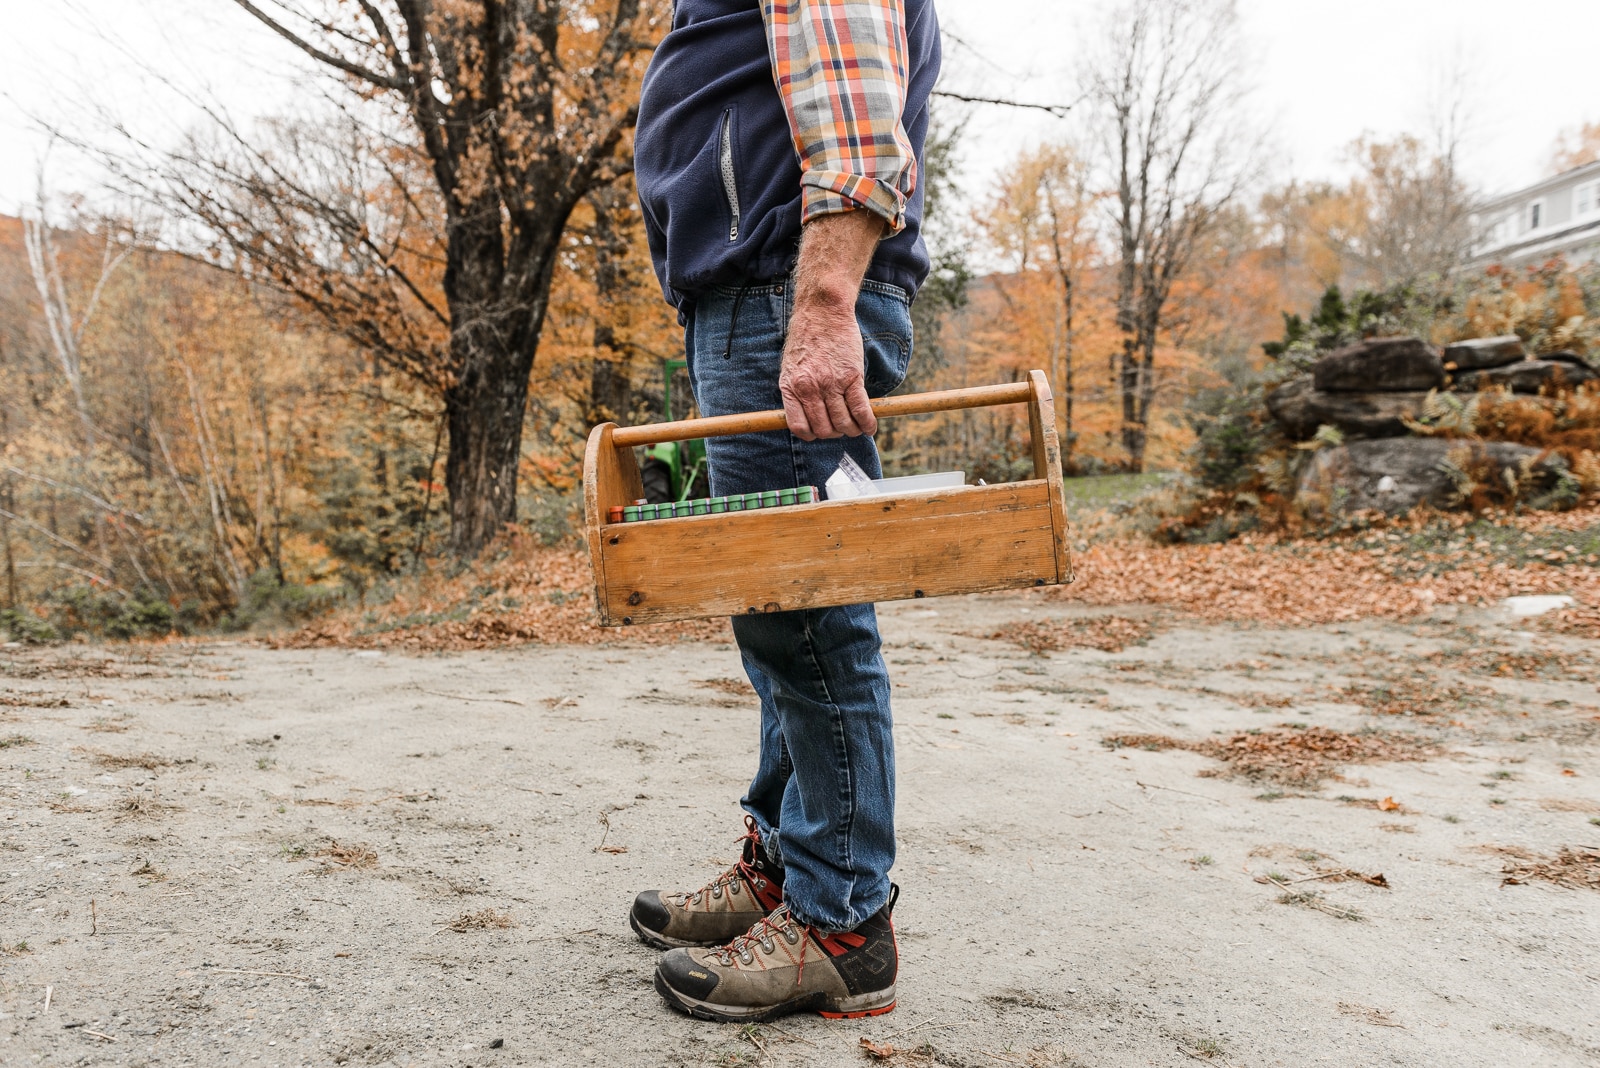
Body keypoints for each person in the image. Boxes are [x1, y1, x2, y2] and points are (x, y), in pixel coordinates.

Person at [629, 0, 941, 1023]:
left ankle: (842, 922)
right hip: (757, 291)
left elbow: (854, 113)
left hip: (785, 292)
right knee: (774, 611)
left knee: (805, 612)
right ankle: (786, 865)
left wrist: (820, 307)